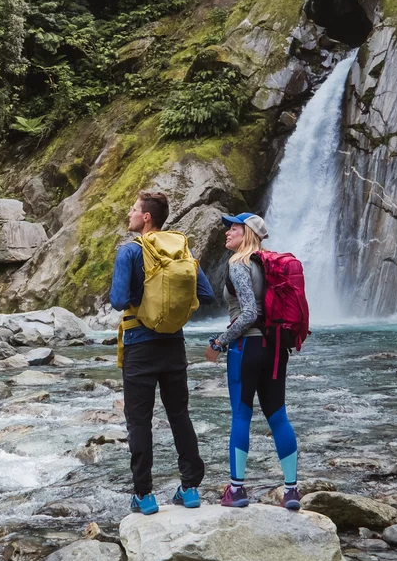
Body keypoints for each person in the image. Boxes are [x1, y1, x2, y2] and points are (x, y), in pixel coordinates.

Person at [109, 190, 216, 515]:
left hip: (139, 346)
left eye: (133, 210)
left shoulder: (129, 251)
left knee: (139, 421)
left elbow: (116, 300)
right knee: (179, 415)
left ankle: (144, 495)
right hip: (174, 345)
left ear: (146, 218)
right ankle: (191, 488)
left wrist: (137, 299)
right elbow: (207, 295)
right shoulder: (180, 250)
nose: (129, 214)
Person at [204, 212, 301, 510]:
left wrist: (220, 342)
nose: (227, 233)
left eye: (233, 228)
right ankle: (292, 491)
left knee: (241, 416)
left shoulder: (239, 264)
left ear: (247, 234)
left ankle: (236, 491)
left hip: (247, 348)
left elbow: (248, 314)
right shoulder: (267, 265)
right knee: (278, 416)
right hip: (273, 349)